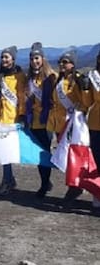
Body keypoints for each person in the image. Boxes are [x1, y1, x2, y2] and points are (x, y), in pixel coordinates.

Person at [47, 48, 88, 204]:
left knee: (73, 156)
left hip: (73, 126)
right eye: (60, 62)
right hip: (60, 124)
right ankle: (73, 184)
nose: (61, 65)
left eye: (65, 62)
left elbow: (84, 102)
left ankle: (75, 186)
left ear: (72, 64)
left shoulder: (78, 80)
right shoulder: (59, 80)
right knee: (65, 156)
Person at [0, 45, 27, 195]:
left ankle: (8, 180)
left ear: (13, 59)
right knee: (2, 151)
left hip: (12, 119)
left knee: (6, 152)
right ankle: (8, 178)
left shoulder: (19, 76)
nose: (4, 60)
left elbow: (22, 97)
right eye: (2, 57)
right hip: (0, 118)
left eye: (6, 57)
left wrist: (22, 115)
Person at [25, 42, 57, 198]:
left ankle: (45, 184)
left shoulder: (51, 77)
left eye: (37, 58)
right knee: (38, 154)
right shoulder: (30, 78)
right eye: (32, 59)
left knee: (45, 153)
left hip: (47, 121)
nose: (34, 61)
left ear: (42, 59)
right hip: (34, 121)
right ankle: (45, 181)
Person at [82, 50, 100, 212]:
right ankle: (97, 193)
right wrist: (86, 88)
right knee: (97, 162)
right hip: (95, 124)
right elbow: (88, 103)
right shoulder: (94, 76)